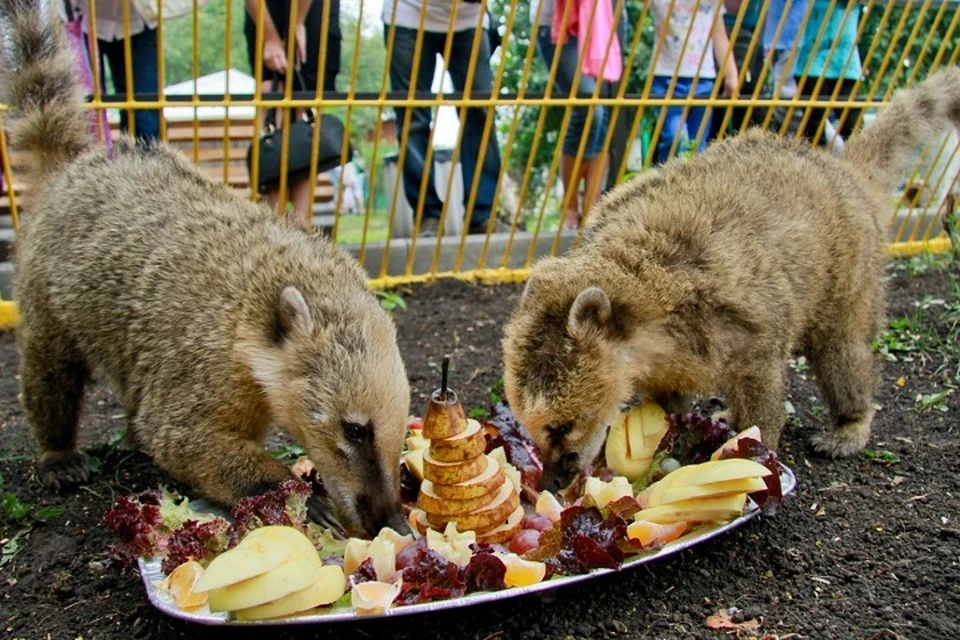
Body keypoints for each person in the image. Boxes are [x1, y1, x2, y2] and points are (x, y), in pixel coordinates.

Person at [382, 0, 503, 236]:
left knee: (480, 113)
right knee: (412, 117)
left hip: (469, 17)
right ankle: (428, 215)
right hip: (407, 14)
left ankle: (482, 214)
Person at [244, 0, 342, 230]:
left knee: (305, 119)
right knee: (273, 107)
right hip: (267, 11)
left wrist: (297, 23)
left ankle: (301, 228)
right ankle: (272, 228)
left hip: (314, 11)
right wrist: (270, 37)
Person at [533, 0, 624, 230]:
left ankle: (592, 209)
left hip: (604, 19)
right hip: (560, 21)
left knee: (603, 114)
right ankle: (570, 205)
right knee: (588, 107)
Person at [648, 0, 739, 164]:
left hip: (703, 80)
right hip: (666, 78)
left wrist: (731, 76)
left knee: (698, 146)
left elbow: (720, 37)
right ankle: (669, 185)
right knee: (675, 140)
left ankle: (694, 187)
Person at [791, 0, 863, 149]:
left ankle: (856, 169)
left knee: (854, 130)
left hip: (846, 63)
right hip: (812, 63)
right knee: (814, 133)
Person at [88, 0, 160, 142]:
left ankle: (147, 161)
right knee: (88, 111)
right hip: (84, 21)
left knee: (145, 114)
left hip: (139, 20)